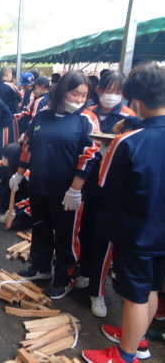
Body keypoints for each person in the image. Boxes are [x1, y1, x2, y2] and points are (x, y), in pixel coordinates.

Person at [82, 62, 165, 363]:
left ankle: (124, 355)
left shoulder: (127, 142)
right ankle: (138, 340)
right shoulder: (138, 132)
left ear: (137, 101)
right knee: (153, 287)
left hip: (135, 232)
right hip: (161, 233)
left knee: (134, 296)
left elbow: (106, 184)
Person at [9, 70, 99, 299]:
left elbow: (88, 155)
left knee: (66, 236)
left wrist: (75, 189)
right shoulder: (42, 115)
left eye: (83, 95)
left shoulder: (86, 118)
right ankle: (40, 267)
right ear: (61, 92)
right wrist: (19, 174)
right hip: (39, 185)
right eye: (74, 94)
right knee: (40, 228)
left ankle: (63, 278)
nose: (79, 100)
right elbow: (28, 145)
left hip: (67, 190)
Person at [75, 71, 136, 318]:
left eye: (119, 91)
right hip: (87, 181)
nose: (113, 95)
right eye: (109, 89)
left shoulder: (130, 117)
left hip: (110, 188)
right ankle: (85, 273)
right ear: (99, 90)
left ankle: (97, 292)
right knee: (85, 230)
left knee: (103, 236)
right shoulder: (88, 112)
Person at [13, 76, 51, 142]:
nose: (33, 90)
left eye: (34, 87)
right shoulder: (53, 98)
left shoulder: (39, 101)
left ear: (41, 87)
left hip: (38, 134)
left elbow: (33, 121)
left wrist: (26, 134)